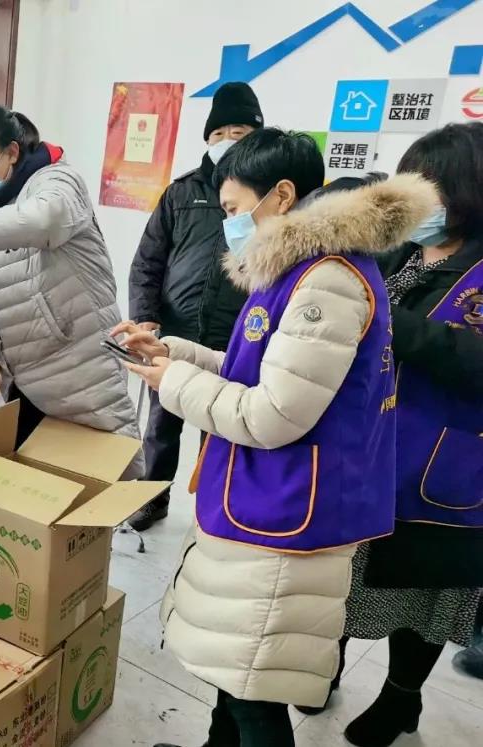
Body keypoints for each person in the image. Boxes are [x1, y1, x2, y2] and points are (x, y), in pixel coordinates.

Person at [120, 128, 437, 747]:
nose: (230, 224)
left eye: (235, 208)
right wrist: (172, 353)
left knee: (254, 687)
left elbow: (272, 414)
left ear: (282, 196)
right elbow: (253, 370)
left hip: (288, 509)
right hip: (265, 496)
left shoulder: (327, 281)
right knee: (235, 662)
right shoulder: (300, 269)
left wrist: (173, 382)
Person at [331, 122, 483, 747]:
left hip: (442, 463)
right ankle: (323, 668)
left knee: (423, 592)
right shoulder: (402, 253)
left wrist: (391, 323)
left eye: (430, 185)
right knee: (343, 577)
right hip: (369, 450)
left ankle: (401, 700)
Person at [0, 102, 142, 454]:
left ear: (12, 152)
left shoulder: (56, 181)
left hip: (79, 377)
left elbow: (45, 220)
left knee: (87, 478)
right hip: (18, 385)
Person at [126, 82, 264, 530]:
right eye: (218, 133)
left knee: (219, 427)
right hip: (174, 332)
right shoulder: (181, 193)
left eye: (239, 132)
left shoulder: (266, 198)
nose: (227, 141)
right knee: (161, 424)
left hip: (232, 336)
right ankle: (152, 498)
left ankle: (214, 507)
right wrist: (146, 316)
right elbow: (147, 262)